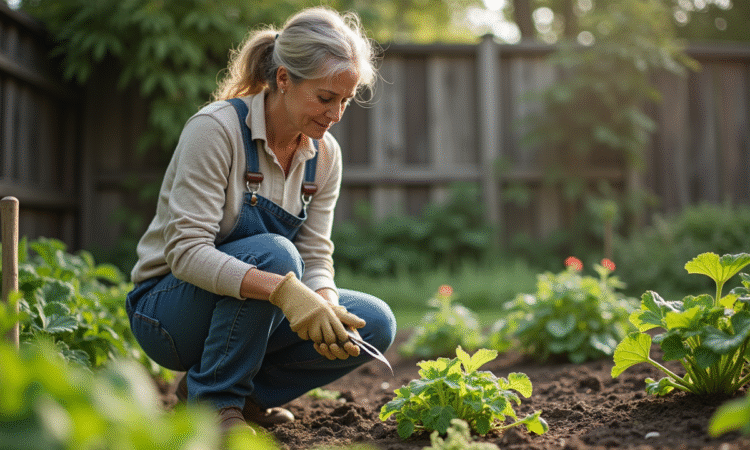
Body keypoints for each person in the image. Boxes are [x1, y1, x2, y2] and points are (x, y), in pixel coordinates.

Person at [125, 7, 396, 434]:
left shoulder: (324, 156)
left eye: (345, 100)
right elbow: (185, 252)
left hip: (254, 303)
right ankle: (216, 403)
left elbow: (315, 252)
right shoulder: (216, 130)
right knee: (275, 254)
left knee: (374, 323)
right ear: (284, 79)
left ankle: (238, 396)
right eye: (325, 98)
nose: (336, 114)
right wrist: (285, 291)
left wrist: (324, 301)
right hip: (168, 313)